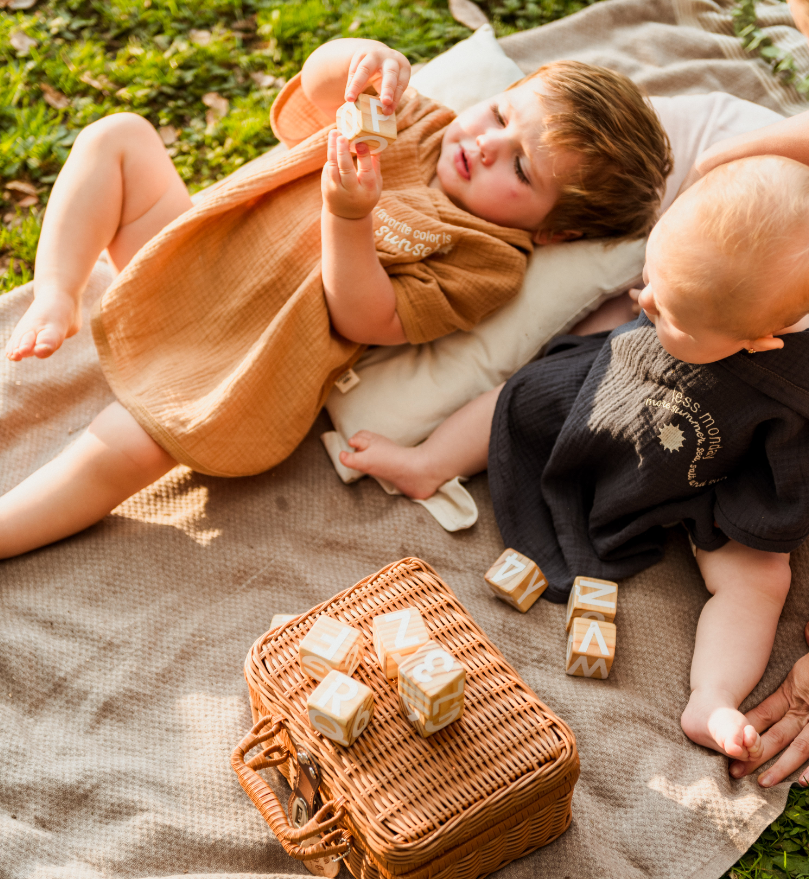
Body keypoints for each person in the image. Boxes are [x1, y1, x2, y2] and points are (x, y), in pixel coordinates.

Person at [0, 38, 671, 560]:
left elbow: (369, 319)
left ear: (557, 231)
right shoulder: (416, 120)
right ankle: (58, 292)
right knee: (118, 138)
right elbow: (316, 93)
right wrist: (357, 60)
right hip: (189, 253)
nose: (484, 145)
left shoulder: (489, 260)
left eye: (520, 167)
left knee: (131, 446)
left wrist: (348, 218)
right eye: (499, 114)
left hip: (246, 354)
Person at [340, 154, 809, 763]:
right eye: (649, 278)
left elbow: (788, 468)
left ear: (758, 341)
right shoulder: (689, 269)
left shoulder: (791, 385)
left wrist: (754, 524)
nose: (644, 302)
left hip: (708, 474)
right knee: (520, 397)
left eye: (667, 314)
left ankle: (712, 695)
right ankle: (428, 462)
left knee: (761, 580)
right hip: (604, 395)